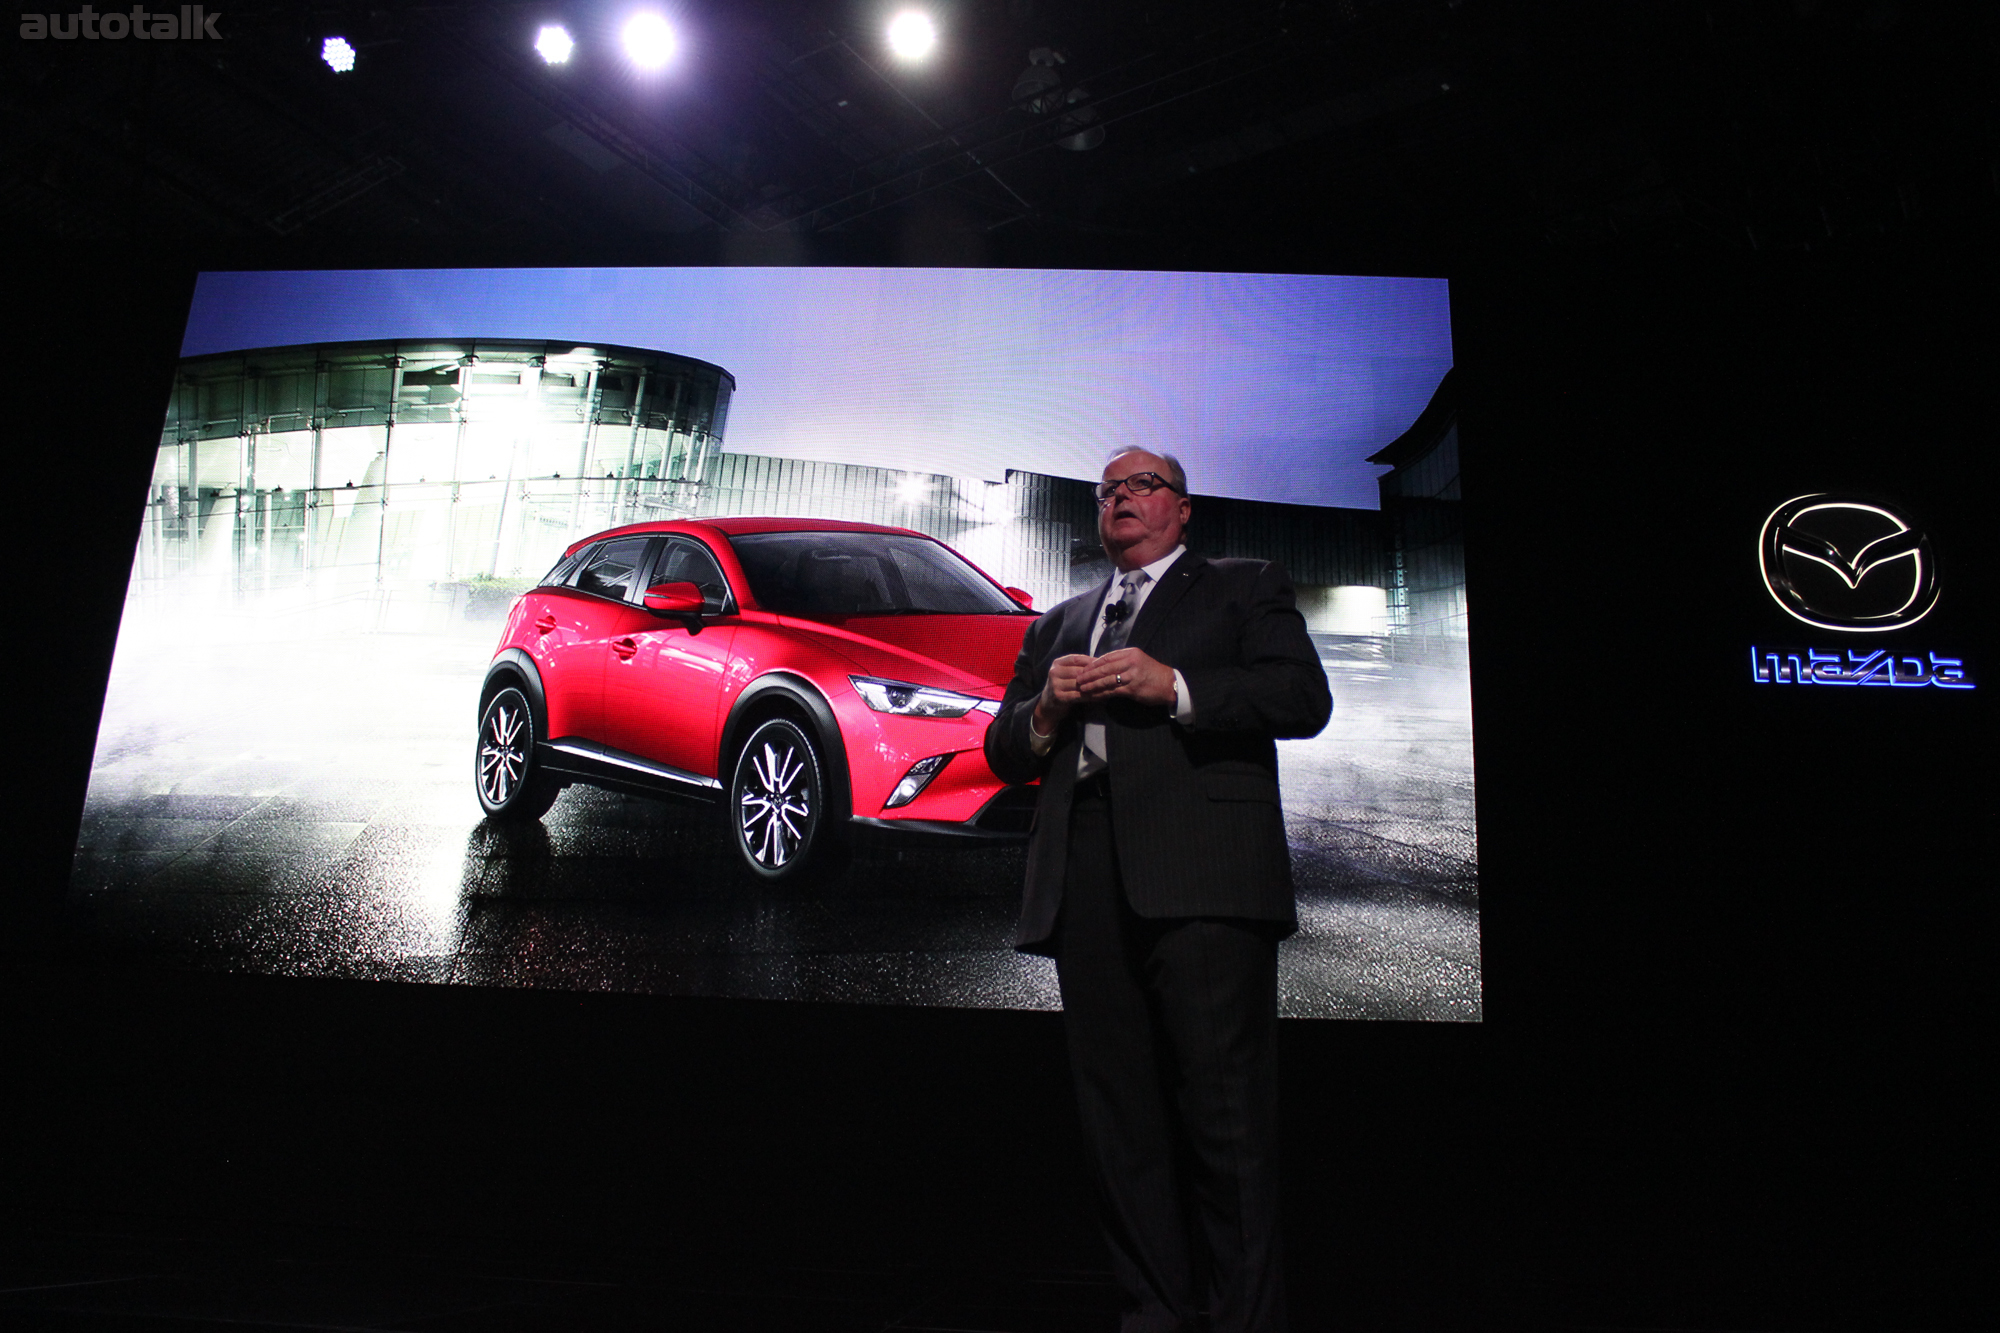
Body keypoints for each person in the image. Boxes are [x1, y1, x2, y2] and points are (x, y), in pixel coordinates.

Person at [985, 448, 1333, 1333]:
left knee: (1226, 1119)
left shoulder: (1244, 584)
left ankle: (1246, 1320)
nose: (1120, 500)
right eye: (1108, 491)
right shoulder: (1058, 622)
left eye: (1141, 486)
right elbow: (1001, 749)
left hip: (1204, 870)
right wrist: (1045, 713)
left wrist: (1172, 685)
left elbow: (1302, 698)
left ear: (1183, 510)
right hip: (1083, 875)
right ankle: (1154, 1312)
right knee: (1119, 1123)